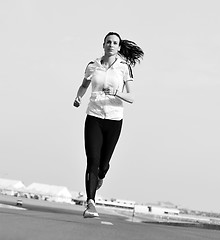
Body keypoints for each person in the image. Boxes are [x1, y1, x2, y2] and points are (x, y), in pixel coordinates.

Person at [74, 32, 144, 218]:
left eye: (115, 43)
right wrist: (79, 97)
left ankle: (101, 176)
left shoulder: (124, 67)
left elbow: (132, 97)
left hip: (114, 120)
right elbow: (84, 85)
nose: (111, 45)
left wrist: (116, 92)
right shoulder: (93, 66)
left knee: (103, 165)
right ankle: (90, 204)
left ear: (119, 47)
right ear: (103, 44)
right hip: (94, 116)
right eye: (108, 42)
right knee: (92, 160)